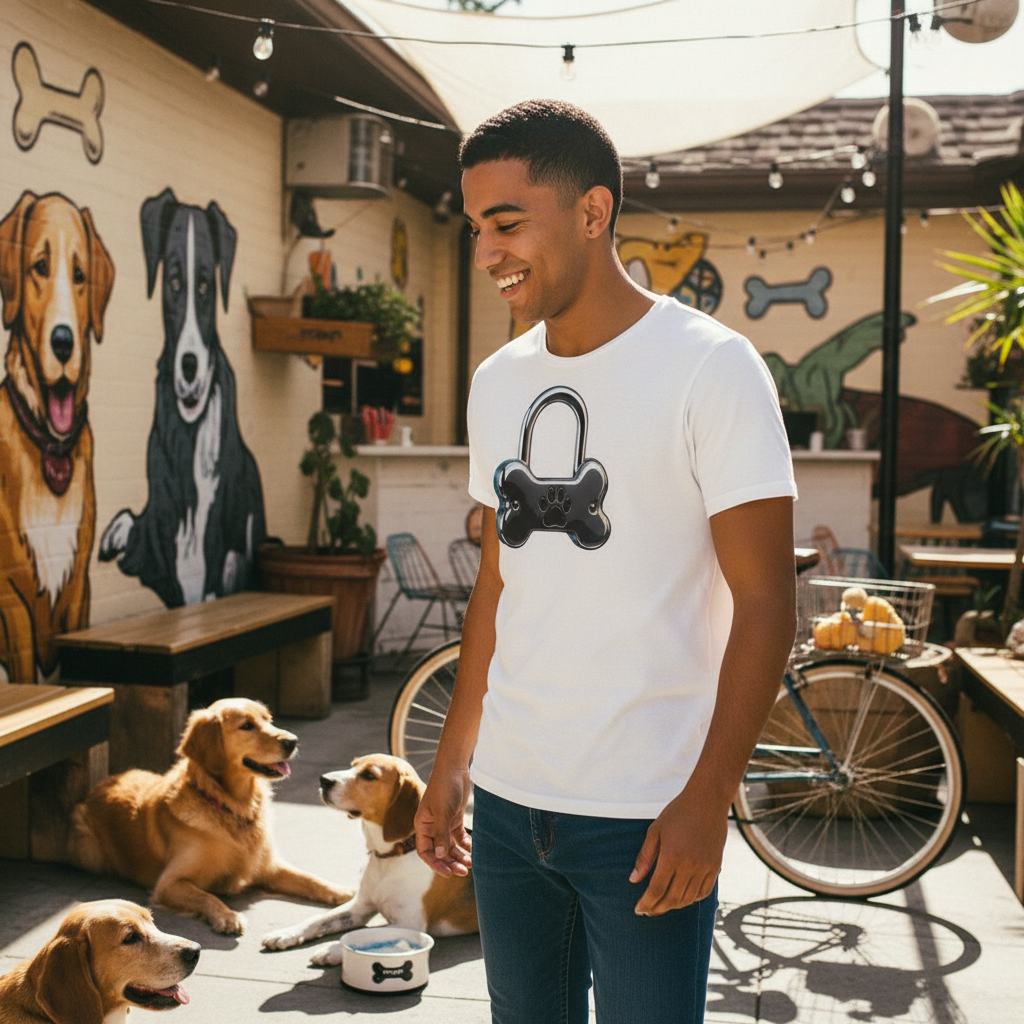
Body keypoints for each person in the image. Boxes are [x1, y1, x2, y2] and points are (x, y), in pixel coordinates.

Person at [414, 99, 797, 1024]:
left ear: (593, 212)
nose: (486, 251)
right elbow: (503, 583)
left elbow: (766, 603)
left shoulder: (713, 368)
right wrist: (452, 759)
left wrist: (712, 799)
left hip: (647, 811)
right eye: (475, 228)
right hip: (509, 804)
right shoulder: (497, 383)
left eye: (508, 223)